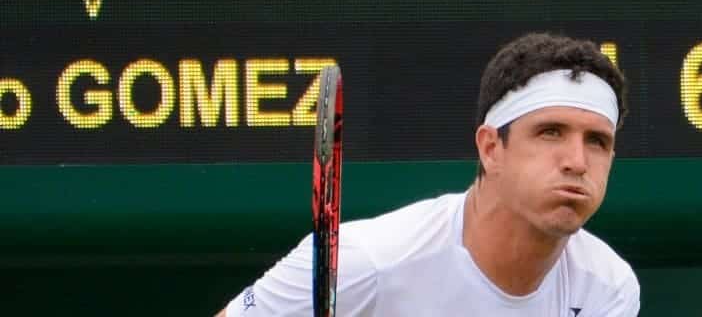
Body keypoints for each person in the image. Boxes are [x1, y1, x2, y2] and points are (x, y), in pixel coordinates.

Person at [218, 32, 640, 316]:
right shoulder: (365, 262)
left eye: (597, 142)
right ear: (491, 149)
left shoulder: (607, 288)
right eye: (550, 133)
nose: (577, 161)